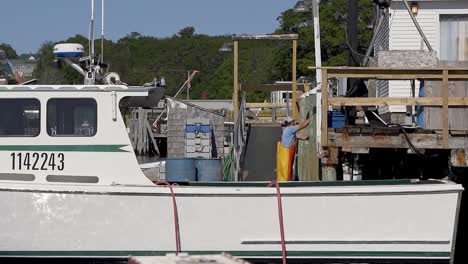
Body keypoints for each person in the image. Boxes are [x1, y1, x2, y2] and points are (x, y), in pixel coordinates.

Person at [276, 116, 310, 181]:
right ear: (291, 122)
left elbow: (297, 136)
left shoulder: (286, 129)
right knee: (287, 171)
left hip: (283, 154)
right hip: (286, 154)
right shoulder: (290, 128)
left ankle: (283, 182)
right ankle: (286, 184)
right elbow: (302, 125)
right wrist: (310, 119)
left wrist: (305, 137)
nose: (294, 122)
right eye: (293, 121)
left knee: (284, 171)